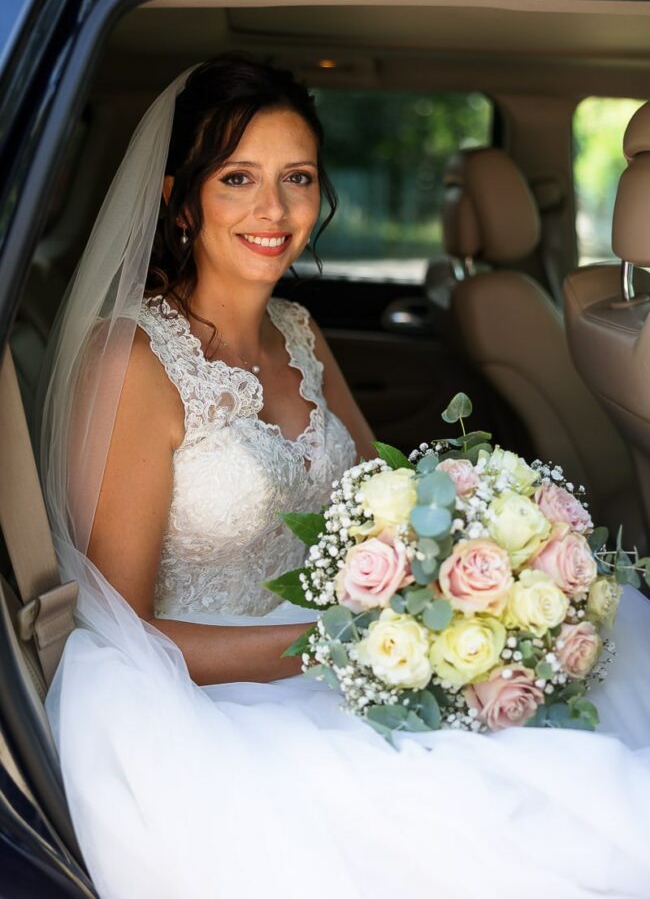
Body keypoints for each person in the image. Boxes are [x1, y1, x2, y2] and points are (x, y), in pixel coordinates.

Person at [40, 54, 650, 899]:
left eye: (297, 177)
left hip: (348, 651)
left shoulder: (299, 329)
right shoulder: (133, 360)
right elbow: (121, 627)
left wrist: (471, 567)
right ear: (182, 200)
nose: (274, 209)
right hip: (208, 698)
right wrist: (328, 649)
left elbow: (381, 494)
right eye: (238, 178)